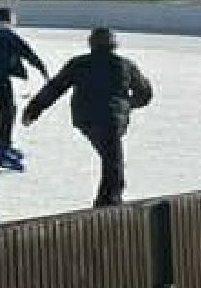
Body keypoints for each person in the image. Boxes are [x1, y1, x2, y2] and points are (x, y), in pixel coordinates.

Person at [23, 27, 155, 208]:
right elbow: (145, 93)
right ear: (114, 45)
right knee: (113, 162)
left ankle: (107, 200)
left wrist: (34, 108)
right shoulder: (125, 65)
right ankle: (108, 203)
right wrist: (128, 105)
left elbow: (55, 87)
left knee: (110, 160)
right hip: (111, 120)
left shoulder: (78, 63)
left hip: (85, 117)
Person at [0, 7, 47, 171]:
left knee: (8, 108)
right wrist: (43, 70)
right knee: (7, 110)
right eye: (13, 17)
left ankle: (6, 145)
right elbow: (28, 52)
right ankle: (3, 151)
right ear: (8, 19)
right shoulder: (7, 34)